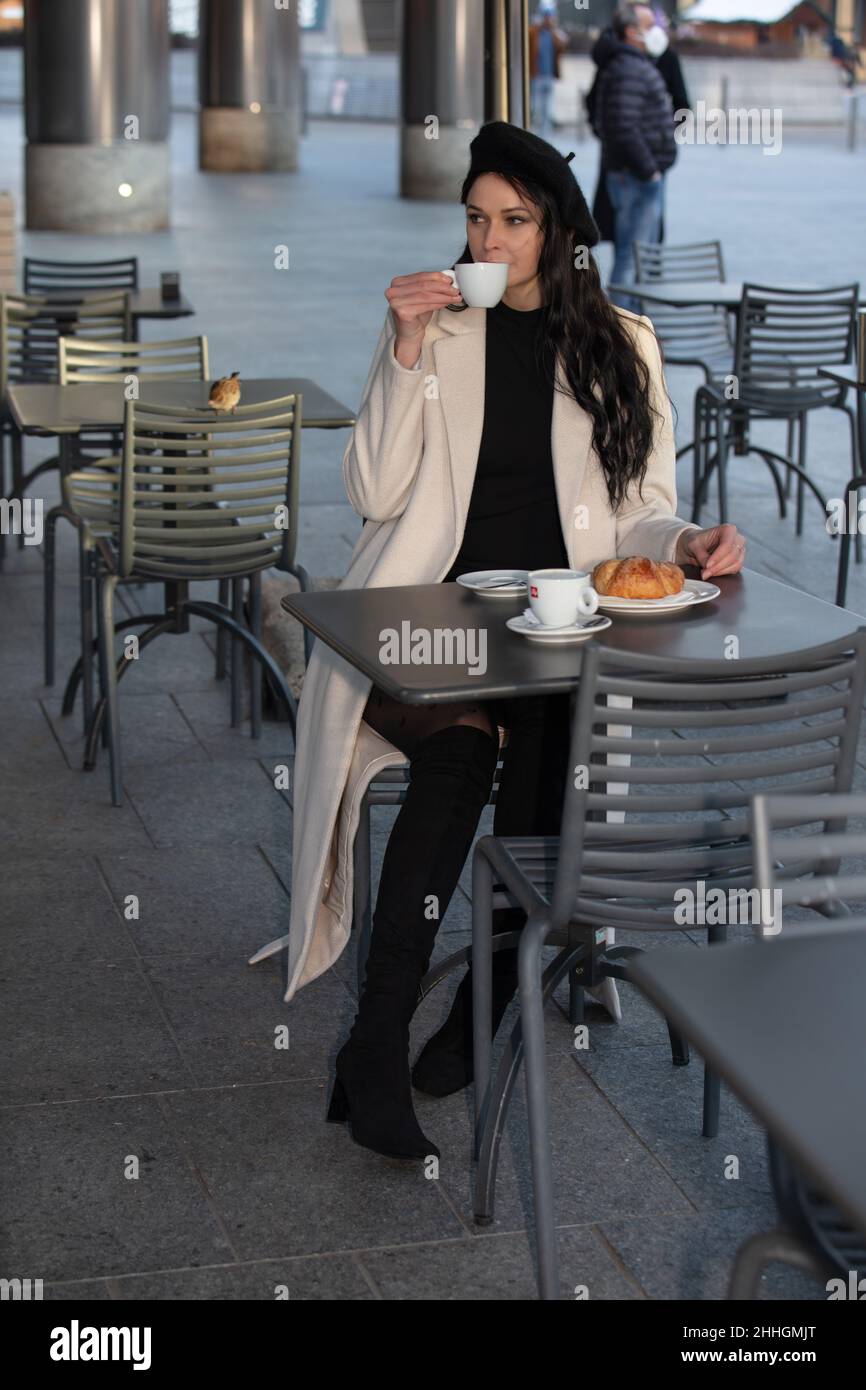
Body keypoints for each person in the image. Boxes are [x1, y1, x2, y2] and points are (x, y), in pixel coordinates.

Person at [277, 121, 747, 1165]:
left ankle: (479, 1009)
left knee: (552, 763)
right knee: (459, 754)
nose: (487, 241)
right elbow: (371, 493)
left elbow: (642, 515)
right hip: (422, 617)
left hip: (553, 626)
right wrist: (400, 350)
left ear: (557, 234)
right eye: (475, 220)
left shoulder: (621, 343)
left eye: (513, 222)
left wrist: (689, 541)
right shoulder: (433, 330)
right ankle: (375, 1037)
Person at [594, 3, 677, 311]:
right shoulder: (627, 68)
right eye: (648, 23)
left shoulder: (630, 64)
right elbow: (623, 126)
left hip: (637, 174)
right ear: (631, 31)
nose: (656, 28)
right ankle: (624, 331)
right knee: (631, 257)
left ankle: (635, 328)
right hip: (636, 177)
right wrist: (649, 170)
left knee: (637, 257)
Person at [529, 5, 568, 135]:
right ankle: (534, 130)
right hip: (537, 75)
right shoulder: (535, 32)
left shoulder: (554, 34)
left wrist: (554, 30)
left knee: (547, 107)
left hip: (549, 75)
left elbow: (563, 45)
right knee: (535, 106)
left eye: (550, 18)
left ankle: (545, 132)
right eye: (546, 18)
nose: (548, 20)